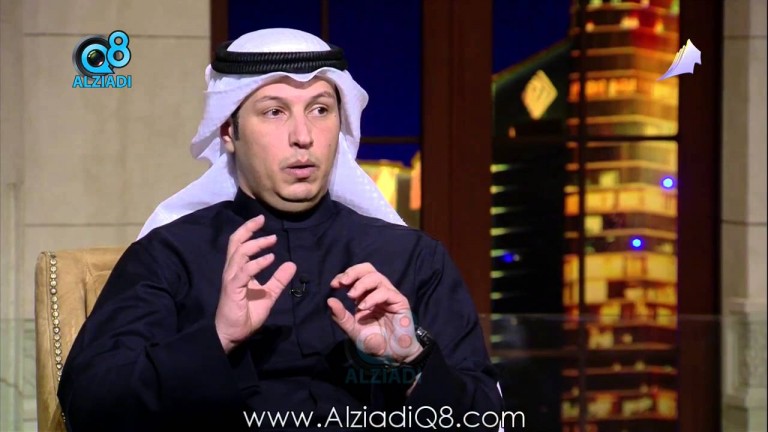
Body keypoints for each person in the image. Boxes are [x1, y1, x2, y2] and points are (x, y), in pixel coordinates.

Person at [58, 28, 503, 431]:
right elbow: (90, 406)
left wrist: (413, 360)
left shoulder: (412, 258)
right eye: (274, 112)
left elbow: (488, 420)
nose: (303, 136)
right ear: (228, 131)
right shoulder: (168, 256)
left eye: (320, 110)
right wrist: (216, 339)